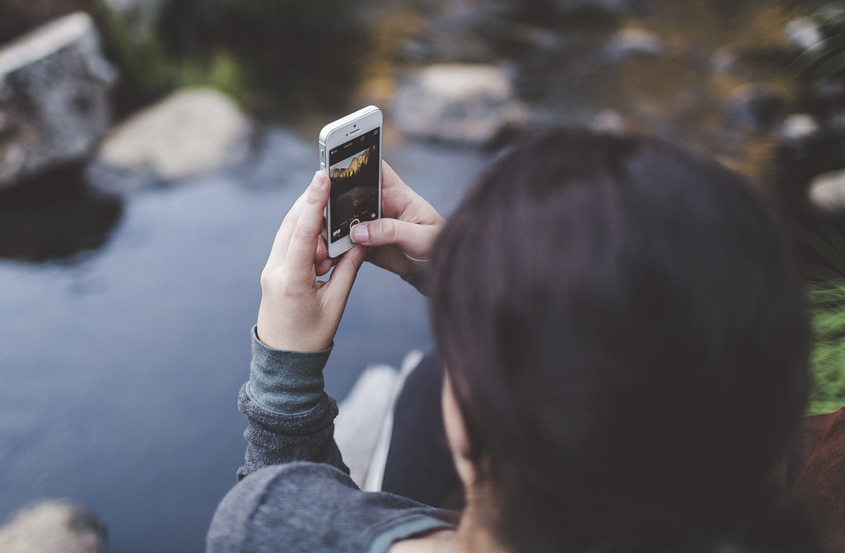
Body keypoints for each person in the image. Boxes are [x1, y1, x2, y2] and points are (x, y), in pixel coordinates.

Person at [207, 129, 828, 553]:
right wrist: (467, 272)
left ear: (476, 441)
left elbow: (276, 503)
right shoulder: (768, 474)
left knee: (423, 385)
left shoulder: (272, 523)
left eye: (466, 364)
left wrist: (284, 376)